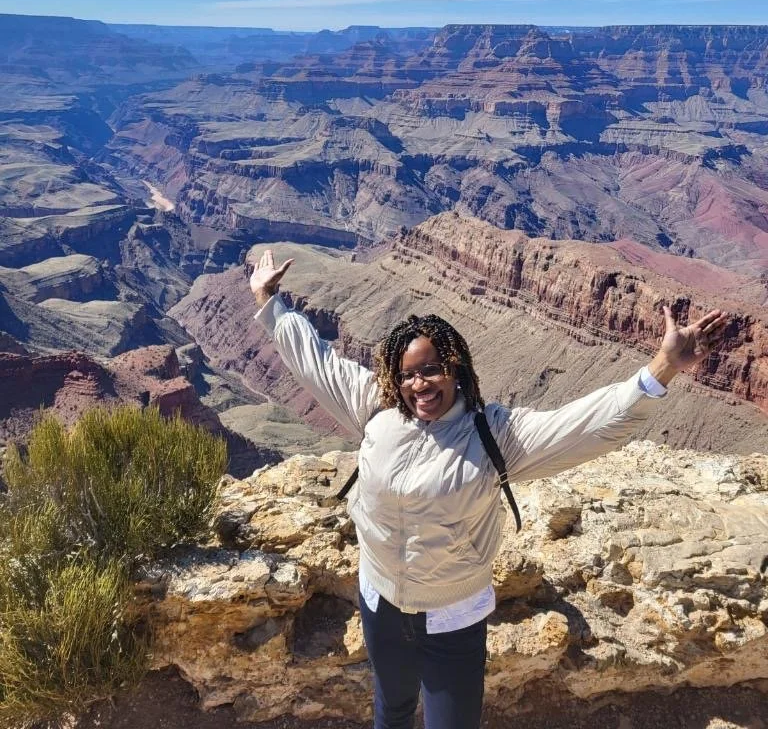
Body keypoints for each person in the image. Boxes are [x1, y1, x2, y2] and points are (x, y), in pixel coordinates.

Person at [249, 248, 729, 729]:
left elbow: (584, 425)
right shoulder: (374, 406)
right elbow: (315, 361)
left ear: (455, 367)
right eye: (409, 373)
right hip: (380, 603)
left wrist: (661, 368)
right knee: (390, 709)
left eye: (432, 368)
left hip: (451, 616)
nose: (420, 384)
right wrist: (270, 300)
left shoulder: (494, 434)